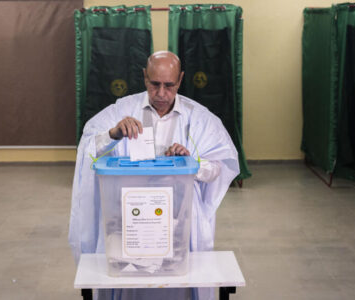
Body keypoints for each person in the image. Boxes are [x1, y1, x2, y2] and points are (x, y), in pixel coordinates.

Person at [68, 51, 239, 300]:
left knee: (179, 282)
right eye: (154, 84)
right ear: (144, 77)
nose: (161, 93)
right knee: (131, 280)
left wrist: (191, 162)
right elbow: (88, 149)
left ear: (180, 80)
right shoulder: (121, 111)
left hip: (182, 220)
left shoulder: (199, 118)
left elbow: (220, 166)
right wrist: (113, 134)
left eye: (169, 85)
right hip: (128, 217)